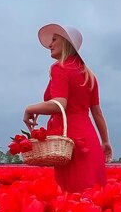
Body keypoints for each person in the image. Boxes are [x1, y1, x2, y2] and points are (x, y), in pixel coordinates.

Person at [23, 23, 113, 192]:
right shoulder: (89, 75)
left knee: (73, 200)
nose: (50, 44)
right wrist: (105, 141)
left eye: (54, 40)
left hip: (70, 142)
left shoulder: (59, 68)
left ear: (66, 43)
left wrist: (30, 108)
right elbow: (97, 113)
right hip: (90, 139)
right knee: (94, 197)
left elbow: (59, 103)